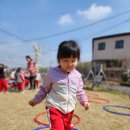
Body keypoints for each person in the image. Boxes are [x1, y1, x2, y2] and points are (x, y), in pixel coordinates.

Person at [29, 40, 89, 130]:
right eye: (65, 60)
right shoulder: (52, 73)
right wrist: (35, 100)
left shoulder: (77, 75)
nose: (69, 64)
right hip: (55, 108)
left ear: (78, 60)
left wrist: (84, 101)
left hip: (70, 109)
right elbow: (44, 90)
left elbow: (79, 91)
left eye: (73, 60)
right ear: (59, 59)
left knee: (67, 128)